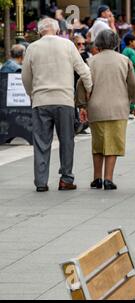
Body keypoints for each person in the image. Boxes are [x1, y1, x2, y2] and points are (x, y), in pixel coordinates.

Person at [21, 18, 92, 192]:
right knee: (67, 140)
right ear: (57, 30)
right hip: (64, 100)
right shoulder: (67, 45)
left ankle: (41, 182)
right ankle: (66, 179)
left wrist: (32, 93)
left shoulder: (32, 48)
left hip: (41, 101)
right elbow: (83, 70)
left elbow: (25, 76)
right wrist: (89, 90)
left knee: (41, 142)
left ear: (39, 32)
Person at [76, 30, 135, 190]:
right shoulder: (124, 60)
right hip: (118, 108)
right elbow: (133, 85)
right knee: (113, 142)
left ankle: (96, 178)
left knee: (98, 143)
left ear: (98, 43)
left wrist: (82, 105)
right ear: (116, 42)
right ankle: (108, 179)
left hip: (96, 108)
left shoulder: (91, 62)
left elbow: (81, 84)